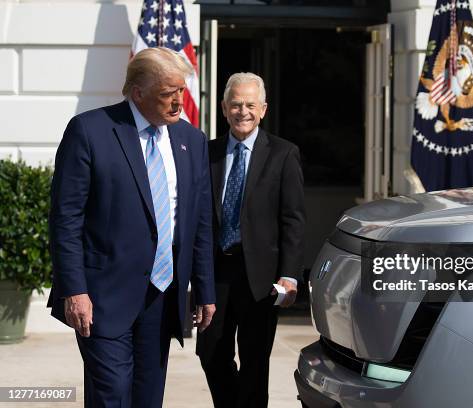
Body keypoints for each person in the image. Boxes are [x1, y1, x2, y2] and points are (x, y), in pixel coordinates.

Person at [48, 47, 216, 407]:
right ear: (138, 92)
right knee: (112, 395)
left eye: (181, 92)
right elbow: (66, 219)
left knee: (147, 398)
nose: (177, 103)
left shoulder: (191, 140)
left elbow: (198, 221)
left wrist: (204, 289)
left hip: (163, 296)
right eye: (167, 94)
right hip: (102, 297)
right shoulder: (91, 131)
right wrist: (74, 291)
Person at [196, 72, 305, 407]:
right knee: (211, 352)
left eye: (250, 105)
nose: (243, 111)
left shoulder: (283, 154)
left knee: (255, 362)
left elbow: (293, 220)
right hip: (215, 273)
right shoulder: (206, 152)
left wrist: (289, 276)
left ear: (263, 109)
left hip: (261, 277)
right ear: (225, 108)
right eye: (236, 104)